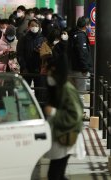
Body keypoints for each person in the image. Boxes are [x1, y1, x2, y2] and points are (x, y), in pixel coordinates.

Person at [44, 44, 83, 180]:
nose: (48, 75)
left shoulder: (66, 88)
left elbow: (75, 115)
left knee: (54, 174)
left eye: (50, 71)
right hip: (60, 135)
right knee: (57, 174)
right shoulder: (59, 87)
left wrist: (53, 113)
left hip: (65, 135)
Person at [17, 19, 44, 101]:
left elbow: (46, 54)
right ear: (28, 27)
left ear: (39, 27)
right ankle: (24, 109)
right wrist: (23, 66)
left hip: (38, 68)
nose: (34, 27)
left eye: (36, 26)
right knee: (24, 90)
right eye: (32, 25)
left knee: (39, 91)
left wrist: (41, 52)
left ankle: (38, 109)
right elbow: (20, 54)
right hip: (26, 69)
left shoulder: (42, 39)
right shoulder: (23, 39)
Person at [69, 16, 92, 94]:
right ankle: (80, 106)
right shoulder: (81, 36)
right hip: (80, 70)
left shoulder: (74, 34)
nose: (90, 27)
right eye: (89, 25)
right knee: (80, 93)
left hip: (74, 67)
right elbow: (82, 53)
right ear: (86, 25)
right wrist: (85, 68)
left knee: (75, 92)